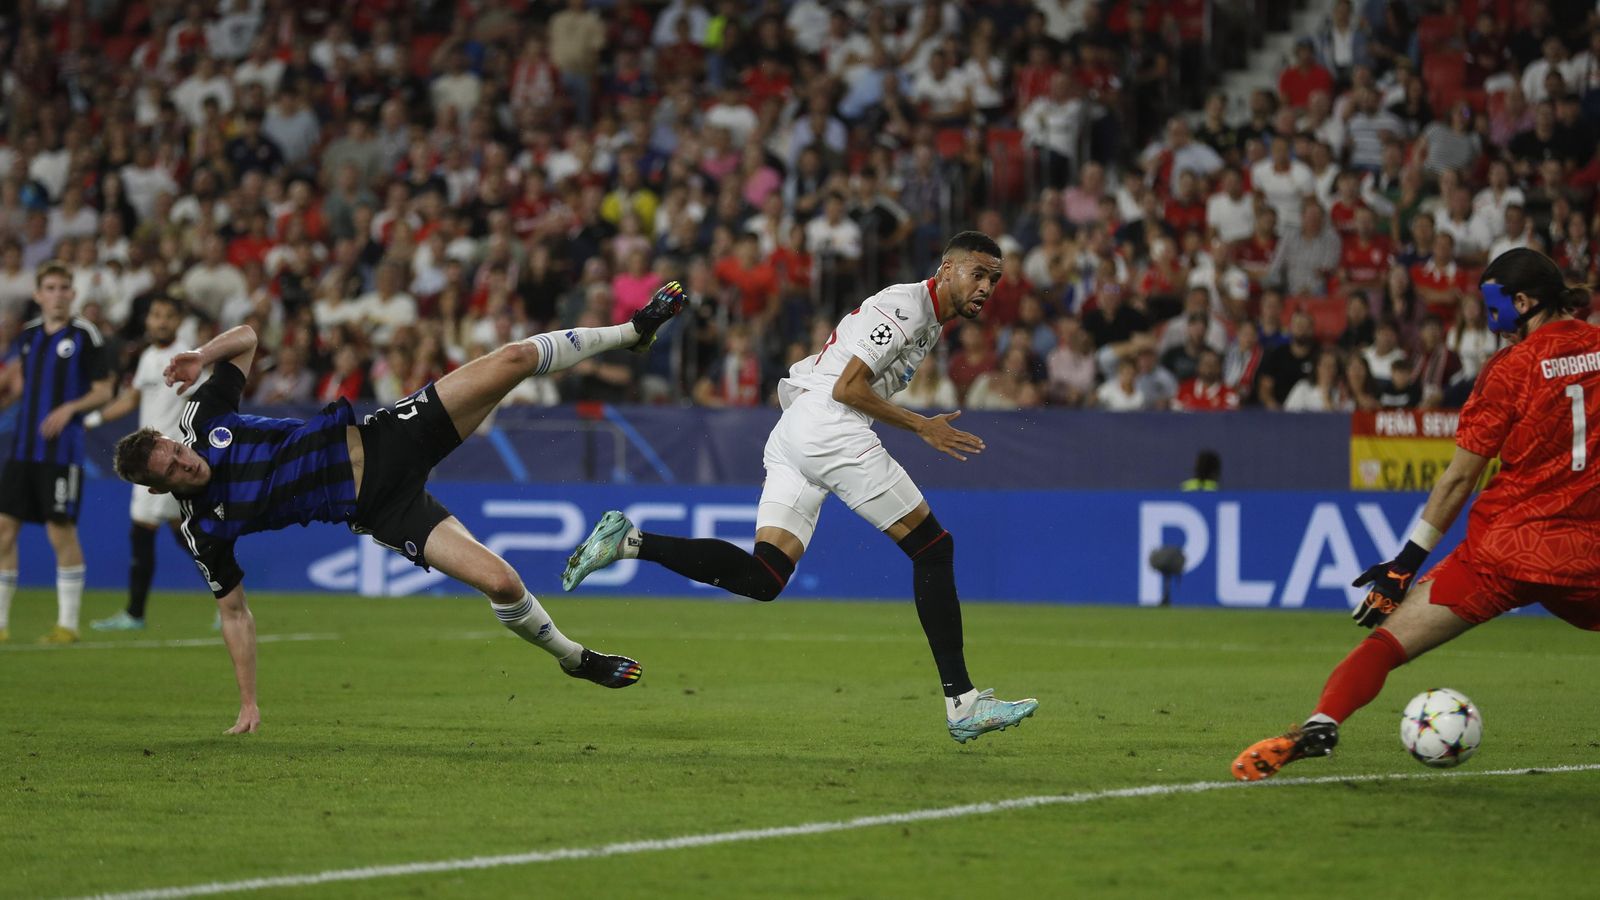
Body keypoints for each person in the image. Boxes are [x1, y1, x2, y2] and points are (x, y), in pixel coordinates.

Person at [110, 283, 688, 734]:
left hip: (385, 439)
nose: (186, 462)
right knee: (502, 582)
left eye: (177, 453)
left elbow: (248, 337)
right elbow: (233, 613)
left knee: (511, 360)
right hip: (382, 507)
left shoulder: (202, 419)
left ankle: (632, 331)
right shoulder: (202, 528)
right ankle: (574, 658)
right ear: (161, 489)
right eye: (173, 471)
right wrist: (248, 702)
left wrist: (200, 354)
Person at [561, 232, 1039, 744]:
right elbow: (848, 387)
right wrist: (922, 425)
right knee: (934, 549)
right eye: (978, 273)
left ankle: (630, 542)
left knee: (764, 576)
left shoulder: (928, 323)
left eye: (994, 278)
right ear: (946, 269)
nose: (986, 286)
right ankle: (963, 703)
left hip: (796, 431)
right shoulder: (904, 307)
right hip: (830, 425)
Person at [1232, 248, 1600, 780]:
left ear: (1523, 302)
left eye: (1495, 308)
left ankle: (1320, 722)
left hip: (1503, 551)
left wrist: (1405, 563)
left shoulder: (1510, 368)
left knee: (1385, 644)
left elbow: (1457, 479)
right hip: (1587, 553)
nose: (1493, 322)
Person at [0, 262, 113, 644]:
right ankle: (0, 624)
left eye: (65, 287)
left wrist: (69, 408)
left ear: (73, 294)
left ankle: (68, 625)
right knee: (3, 531)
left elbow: (104, 390)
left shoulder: (85, 334)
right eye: (50, 287)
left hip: (61, 452)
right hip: (22, 449)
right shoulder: (29, 336)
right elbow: (18, 383)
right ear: (38, 295)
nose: (58, 294)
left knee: (59, 532)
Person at [87, 295, 198, 631]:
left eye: (167, 316)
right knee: (184, 533)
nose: (161, 321)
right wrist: (95, 419)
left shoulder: (188, 358)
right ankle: (228, 590)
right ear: (148, 320)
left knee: (144, 531)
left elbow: (203, 402)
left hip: (168, 461)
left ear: (178, 321)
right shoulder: (149, 357)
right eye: (156, 315)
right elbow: (134, 398)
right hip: (152, 460)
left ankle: (135, 614)